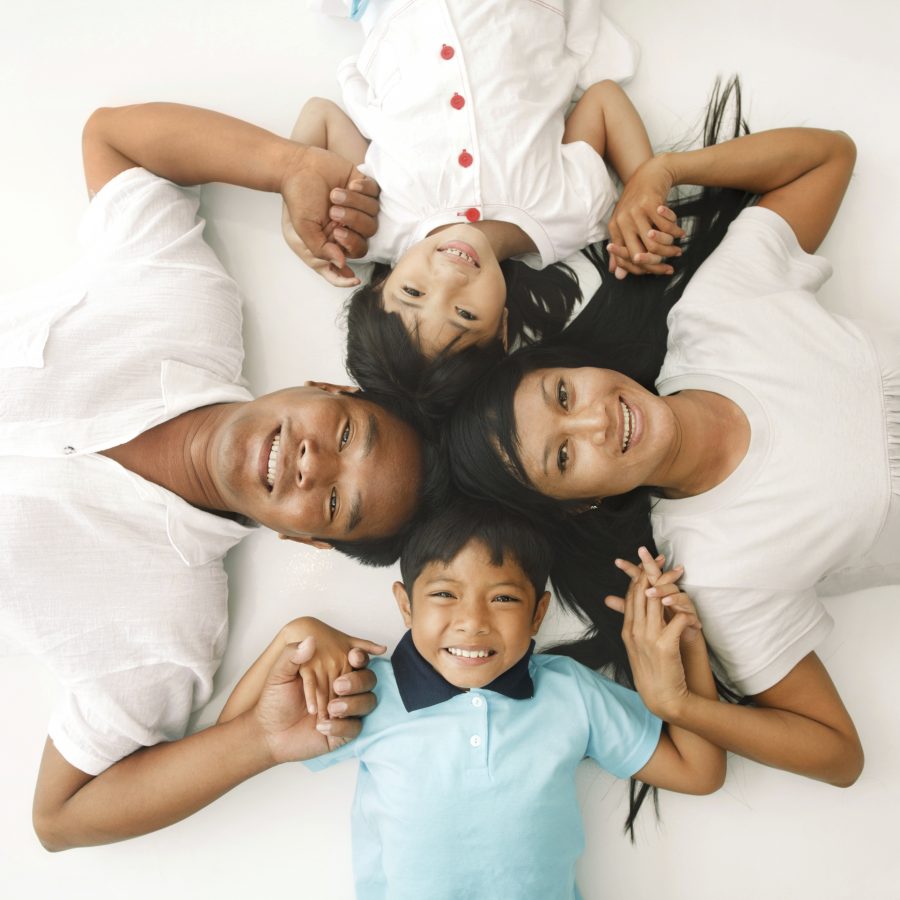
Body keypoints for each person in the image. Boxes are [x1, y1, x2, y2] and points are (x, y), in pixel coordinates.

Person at [1, 103, 428, 850]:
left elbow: (60, 816)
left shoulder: (170, 630)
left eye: (333, 501)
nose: (310, 463)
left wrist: (257, 742)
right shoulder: (185, 303)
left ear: (310, 540)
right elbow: (111, 136)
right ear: (328, 391)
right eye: (345, 435)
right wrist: (287, 167)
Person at [448, 123, 880, 786]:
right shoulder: (716, 572)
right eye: (563, 458)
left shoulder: (714, 313)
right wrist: (678, 703)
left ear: (577, 364)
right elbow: (836, 754)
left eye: (564, 393)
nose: (594, 420)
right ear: (581, 502)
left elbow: (828, 157)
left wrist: (663, 170)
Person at [219, 501, 724, 898]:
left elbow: (699, 771)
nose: (473, 620)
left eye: (503, 597)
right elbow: (236, 738)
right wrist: (294, 636)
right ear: (405, 605)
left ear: (538, 614)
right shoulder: (364, 690)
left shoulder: (570, 692)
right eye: (444, 594)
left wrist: (688, 644)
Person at [286, 0, 685, 363]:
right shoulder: (571, 215)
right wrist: (643, 189)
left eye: (413, 292)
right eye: (465, 313)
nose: (449, 278)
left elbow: (319, 115)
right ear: (502, 328)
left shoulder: (373, 227)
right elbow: (604, 99)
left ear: (378, 289)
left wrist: (293, 217)